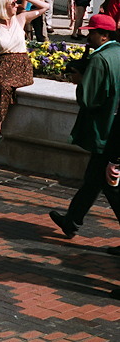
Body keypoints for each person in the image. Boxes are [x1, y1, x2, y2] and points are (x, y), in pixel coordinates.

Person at [48, 13, 120, 241]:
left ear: (104, 35)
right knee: (94, 180)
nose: (88, 37)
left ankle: (72, 221)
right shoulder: (117, 53)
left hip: (104, 130)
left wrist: (80, 81)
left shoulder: (100, 60)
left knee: (110, 186)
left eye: (92, 33)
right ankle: (72, 221)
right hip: (112, 130)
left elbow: (89, 100)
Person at [0, 0, 47, 149]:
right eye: (13, 3)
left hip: (21, 64)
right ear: (4, 7)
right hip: (2, 63)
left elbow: (45, 7)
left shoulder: (21, 19)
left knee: (5, 87)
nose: (17, 6)